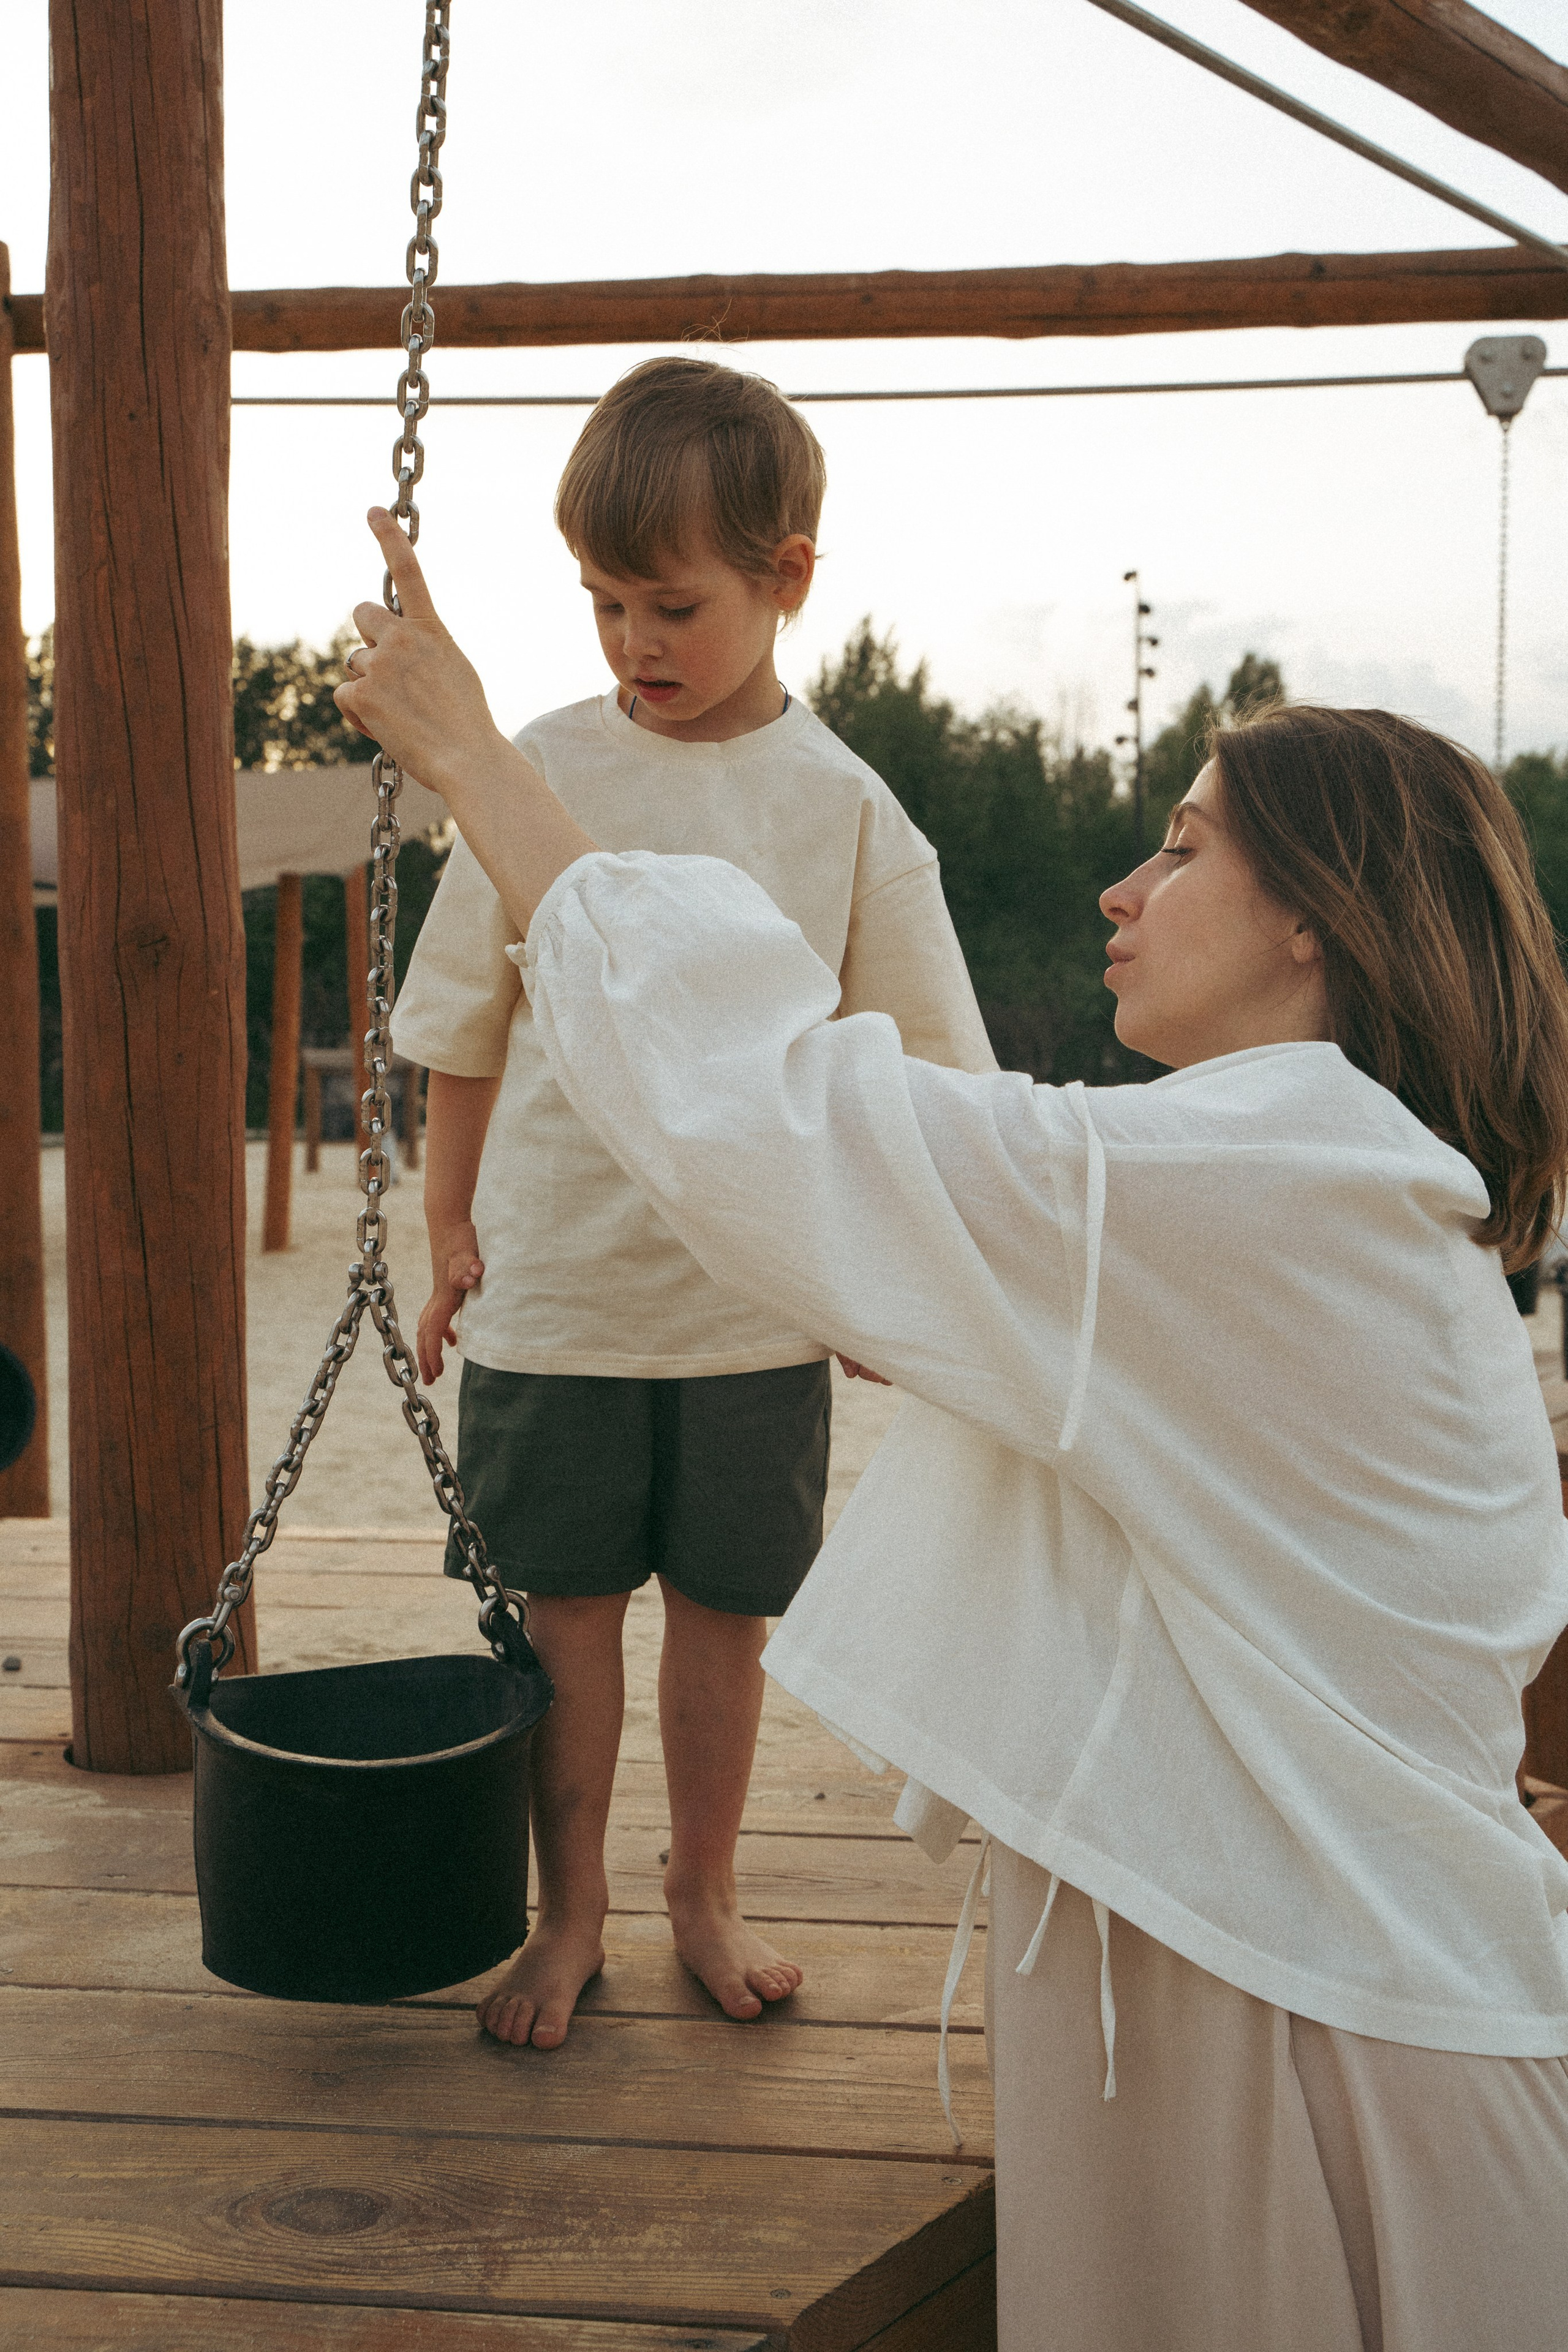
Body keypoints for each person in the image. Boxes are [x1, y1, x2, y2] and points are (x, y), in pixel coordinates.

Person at [341, 512, 1568, 2350]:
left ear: (1318, 914)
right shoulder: (1328, 1187)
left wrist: (476, 760)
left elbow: (776, 1108)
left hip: (1324, 2043)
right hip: (1316, 1975)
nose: (1123, 891)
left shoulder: (1267, 1178)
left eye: (1186, 847)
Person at [386, 358, 996, 2051]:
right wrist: (448, 1231)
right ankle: (568, 1912)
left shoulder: (846, 807)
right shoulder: (534, 776)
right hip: (561, 1300)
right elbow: (465, 1031)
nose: (632, 643)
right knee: (565, 1626)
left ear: (786, 577)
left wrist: (881, 1282)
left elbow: (915, 1071)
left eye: (672, 606)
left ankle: (702, 1892)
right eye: (602, 602)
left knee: (726, 1627)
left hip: (749, 1314)